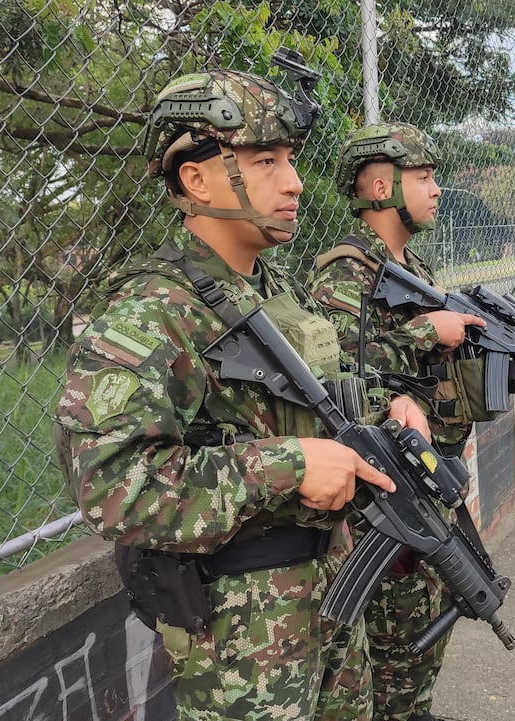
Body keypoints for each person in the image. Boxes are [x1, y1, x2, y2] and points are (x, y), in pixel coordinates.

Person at [55, 68, 434, 721]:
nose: (294, 182)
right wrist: (288, 466)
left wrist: (390, 410)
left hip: (330, 598)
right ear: (196, 179)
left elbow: (322, 399)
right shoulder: (153, 309)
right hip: (244, 641)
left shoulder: (273, 287)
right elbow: (111, 484)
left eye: (290, 160)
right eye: (265, 161)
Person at [309, 122, 515, 721]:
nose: (437, 189)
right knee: (393, 648)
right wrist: (422, 333)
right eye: (423, 177)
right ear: (380, 186)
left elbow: (438, 375)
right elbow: (334, 386)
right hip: (384, 497)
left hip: (431, 478)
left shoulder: (418, 268)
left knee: (428, 628)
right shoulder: (344, 276)